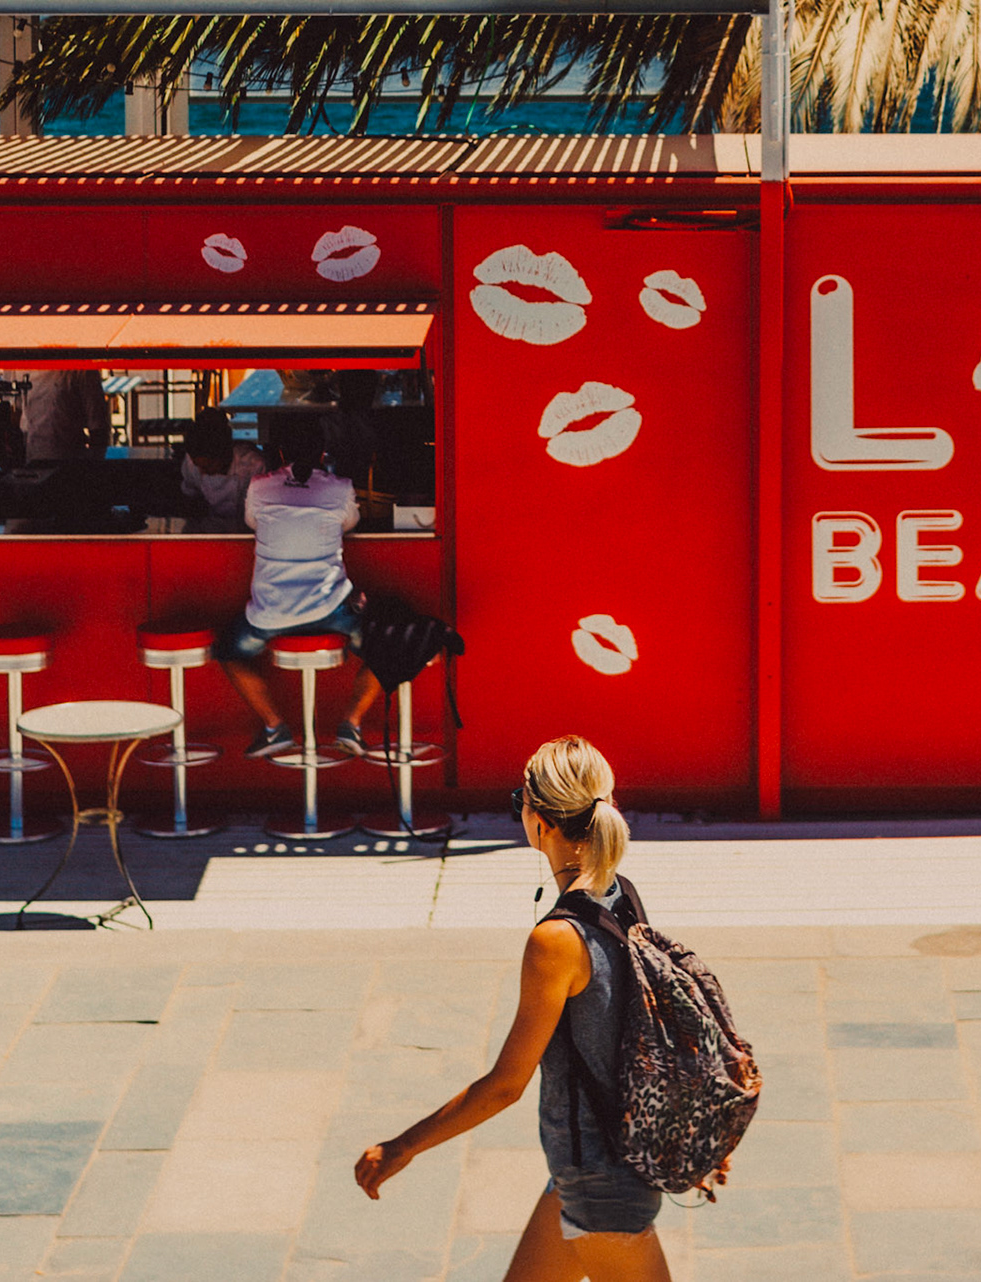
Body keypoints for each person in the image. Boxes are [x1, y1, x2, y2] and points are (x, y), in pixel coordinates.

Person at [355, 737, 669, 1281]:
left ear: (539, 822)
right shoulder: (621, 894)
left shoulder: (556, 940)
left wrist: (402, 1147)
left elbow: (506, 1085)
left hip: (603, 1186)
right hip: (591, 1167)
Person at [215, 417, 381, 758]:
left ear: (278, 452)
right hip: (333, 611)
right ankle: (351, 723)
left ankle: (275, 727)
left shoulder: (261, 486)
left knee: (228, 650)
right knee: (386, 646)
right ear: (323, 453)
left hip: (270, 615)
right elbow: (351, 523)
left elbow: (252, 522)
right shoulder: (340, 487)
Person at [180, 407, 265, 530]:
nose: (202, 471)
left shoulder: (253, 465)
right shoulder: (190, 463)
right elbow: (190, 497)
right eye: (198, 466)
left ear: (224, 454)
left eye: (207, 466)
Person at [0, 368, 110, 461]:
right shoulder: (16, 363)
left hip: (68, 465)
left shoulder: (80, 366)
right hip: (28, 465)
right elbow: (14, 411)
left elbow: (98, 427)